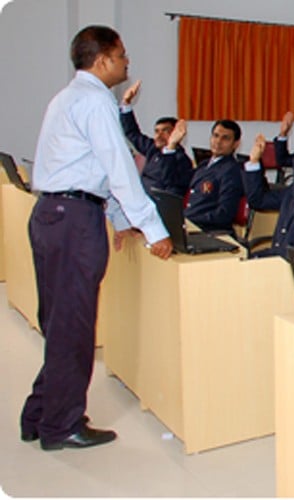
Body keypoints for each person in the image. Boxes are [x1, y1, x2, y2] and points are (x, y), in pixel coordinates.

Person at [20, 25, 173, 451]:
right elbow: (119, 170)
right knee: (73, 327)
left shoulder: (66, 97)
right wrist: (153, 228)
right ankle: (60, 426)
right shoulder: (94, 101)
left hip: (54, 214)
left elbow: (92, 172)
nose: (127, 63)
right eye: (122, 56)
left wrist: (120, 217)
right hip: (73, 222)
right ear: (102, 59)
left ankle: (39, 415)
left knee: (59, 323)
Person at [119, 79, 193, 197]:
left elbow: (171, 188)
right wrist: (126, 103)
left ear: (176, 134)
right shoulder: (152, 148)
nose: (159, 135)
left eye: (165, 131)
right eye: (156, 131)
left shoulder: (182, 160)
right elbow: (132, 133)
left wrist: (170, 148)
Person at [184, 119, 244, 233]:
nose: (218, 141)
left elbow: (224, 214)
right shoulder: (204, 164)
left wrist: (190, 219)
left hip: (211, 231)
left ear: (236, 144)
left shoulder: (232, 171)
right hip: (191, 226)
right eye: (215, 136)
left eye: (225, 138)